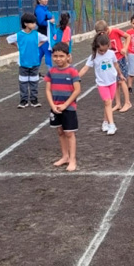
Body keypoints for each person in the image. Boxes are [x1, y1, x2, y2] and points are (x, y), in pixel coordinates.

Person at [79, 33, 126, 136]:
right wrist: (77, 77)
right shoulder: (93, 56)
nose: (103, 52)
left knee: (108, 104)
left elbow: (116, 64)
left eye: (105, 50)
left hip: (112, 81)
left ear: (108, 45)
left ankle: (105, 122)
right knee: (107, 102)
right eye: (101, 50)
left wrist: (120, 74)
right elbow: (85, 68)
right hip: (102, 83)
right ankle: (112, 124)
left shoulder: (111, 54)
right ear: (96, 47)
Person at [45, 42, 81, 171]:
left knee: (69, 133)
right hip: (56, 108)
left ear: (67, 56)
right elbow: (48, 90)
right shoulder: (51, 71)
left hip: (69, 108)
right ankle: (65, 156)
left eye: (61, 56)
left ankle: (72, 159)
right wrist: (52, 105)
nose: (58, 59)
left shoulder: (72, 71)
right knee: (60, 132)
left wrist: (66, 104)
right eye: (55, 56)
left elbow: (77, 90)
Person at [7, 13, 48, 108]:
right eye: (32, 23)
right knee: (23, 82)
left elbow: (45, 39)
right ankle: (23, 100)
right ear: (26, 24)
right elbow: (8, 39)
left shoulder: (36, 34)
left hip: (34, 62)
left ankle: (34, 100)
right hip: (23, 63)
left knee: (34, 82)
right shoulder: (19, 35)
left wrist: (38, 45)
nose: (35, 25)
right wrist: (18, 46)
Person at [94, 20, 132, 112]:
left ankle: (127, 102)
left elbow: (128, 36)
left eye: (103, 33)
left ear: (107, 30)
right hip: (111, 61)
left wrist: (125, 48)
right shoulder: (101, 37)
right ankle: (118, 103)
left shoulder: (115, 31)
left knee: (121, 81)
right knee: (114, 83)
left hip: (120, 59)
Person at [34, 0, 55, 71]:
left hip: (45, 33)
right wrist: (50, 21)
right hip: (44, 34)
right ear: (39, 0)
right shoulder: (39, 10)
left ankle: (34, 71)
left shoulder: (44, 8)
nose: (46, 0)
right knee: (47, 53)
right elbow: (41, 22)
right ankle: (51, 72)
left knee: (40, 53)